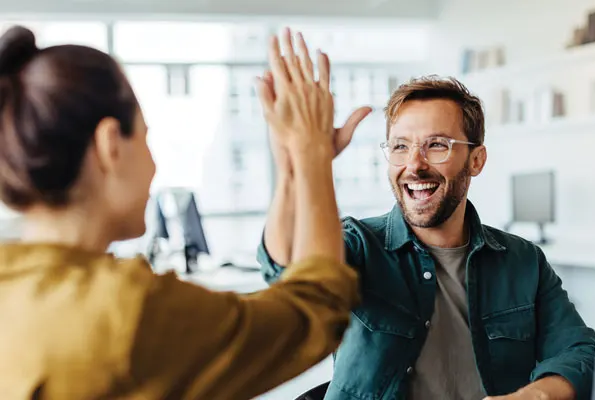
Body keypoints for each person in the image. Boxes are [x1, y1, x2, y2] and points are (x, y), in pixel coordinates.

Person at [0, 26, 359, 399]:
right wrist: (311, 151)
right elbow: (314, 311)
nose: (154, 166)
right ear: (111, 146)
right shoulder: (127, 311)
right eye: (145, 137)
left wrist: (292, 169)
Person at [259, 75, 595, 400]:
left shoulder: (523, 261)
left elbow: (580, 352)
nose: (415, 164)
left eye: (437, 145)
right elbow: (287, 270)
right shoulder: (359, 245)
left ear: (476, 160)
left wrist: (532, 396)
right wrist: (295, 168)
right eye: (400, 146)